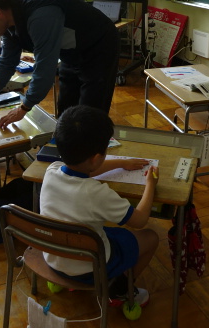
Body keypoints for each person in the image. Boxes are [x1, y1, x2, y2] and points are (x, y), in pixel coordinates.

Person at [0, 0, 119, 130]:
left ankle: (94, 147)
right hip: (70, 51)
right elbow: (6, 63)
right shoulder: (8, 23)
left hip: (99, 46)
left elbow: (44, 70)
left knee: (91, 112)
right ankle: (68, 147)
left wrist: (23, 108)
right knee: (66, 110)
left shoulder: (41, 15)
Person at [40, 105, 158, 307]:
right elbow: (139, 220)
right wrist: (151, 185)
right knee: (151, 237)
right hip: (90, 268)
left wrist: (120, 163)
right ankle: (120, 289)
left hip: (54, 257)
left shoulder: (51, 171)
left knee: (103, 231)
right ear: (96, 158)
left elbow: (87, 170)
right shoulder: (97, 193)